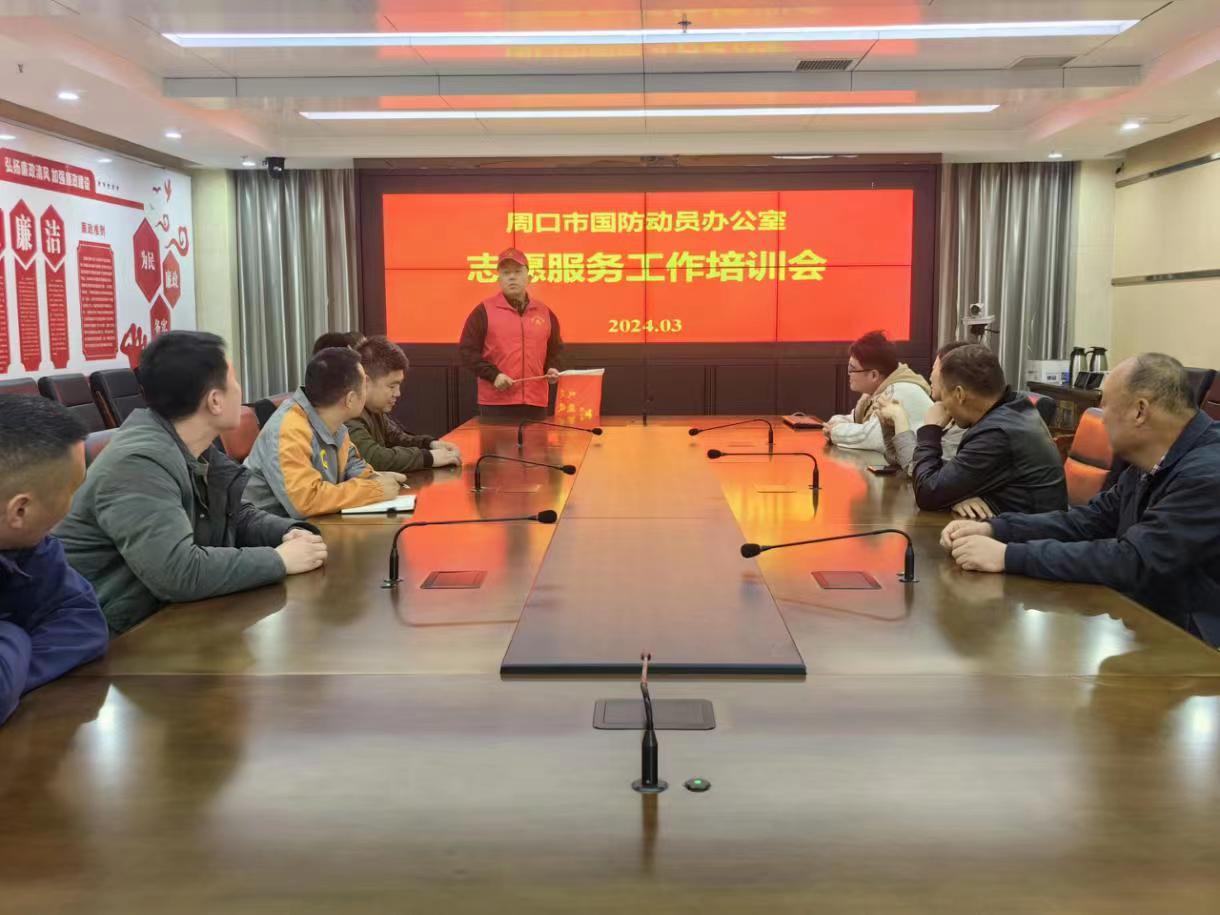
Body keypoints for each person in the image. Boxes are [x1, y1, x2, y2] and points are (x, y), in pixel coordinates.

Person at [56, 331, 328, 635]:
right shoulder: (137, 462)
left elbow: (236, 515)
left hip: (164, 621)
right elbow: (177, 571)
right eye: (234, 380)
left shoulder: (192, 447)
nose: (240, 390)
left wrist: (290, 532)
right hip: (112, 640)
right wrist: (278, 560)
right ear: (215, 401)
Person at [943, 353, 1220, 647]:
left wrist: (1008, 556)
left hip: (1197, 647)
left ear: (1140, 411)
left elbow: (1134, 561)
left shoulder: (1207, 473)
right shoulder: (1152, 460)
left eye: (1105, 405)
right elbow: (1089, 521)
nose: (1099, 416)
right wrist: (996, 528)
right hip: (1149, 621)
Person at [0, 396, 108, 724]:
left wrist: (11, 675)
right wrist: (14, 630)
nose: (73, 505)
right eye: (72, 490)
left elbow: (83, 621)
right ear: (20, 510)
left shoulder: (28, 544)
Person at [882, 344, 1066, 516]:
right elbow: (948, 478)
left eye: (944, 396)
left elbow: (927, 493)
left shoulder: (996, 434)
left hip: (1029, 534)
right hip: (1016, 523)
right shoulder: (1014, 407)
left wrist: (931, 429)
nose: (943, 406)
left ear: (959, 394)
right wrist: (957, 495)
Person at [244, 346, 405, 519]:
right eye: (364, 384)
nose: (367, 389)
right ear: (350, 399)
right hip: (268, 530)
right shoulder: (289, 429)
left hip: (310, 525)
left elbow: (353, 465)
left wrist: (376, 478)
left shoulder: (334, 423)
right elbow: (306, 500)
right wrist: (374, 490)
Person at [459, 247, 563, 422]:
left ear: (529, 276)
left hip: (535, 401)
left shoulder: (545, 312)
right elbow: (467, 352)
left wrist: (552, 368)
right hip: (496, 402)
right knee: (496, 442)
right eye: (506, 273)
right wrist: (494, 375)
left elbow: (556, 350)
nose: (512, 277)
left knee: (536, 441)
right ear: (498, 278)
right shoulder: (483, 311)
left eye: (517, 271)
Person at [347, 336, 462, 473]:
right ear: (365, 381)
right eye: (392, 386)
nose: (398, 393)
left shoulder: (374, 409)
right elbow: (374, 458)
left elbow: (397, 438)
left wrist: (430, 444)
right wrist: (429, 458)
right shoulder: (349, 412)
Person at [824, 330, 932, 452]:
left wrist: (835, 431)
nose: (849, 374)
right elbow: (854, 420)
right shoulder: (876, 392)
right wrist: (834, 425)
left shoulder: (899, 391)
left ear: (874, 375)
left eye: (852, 369)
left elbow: (871, 438)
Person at [877, 340, 970, 475]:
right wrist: (890, 427)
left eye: (934, 369)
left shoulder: (962, 428)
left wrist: (900, 418)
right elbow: (898, 459)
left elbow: (917, 469)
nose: (930, 377)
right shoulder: (947, 416)